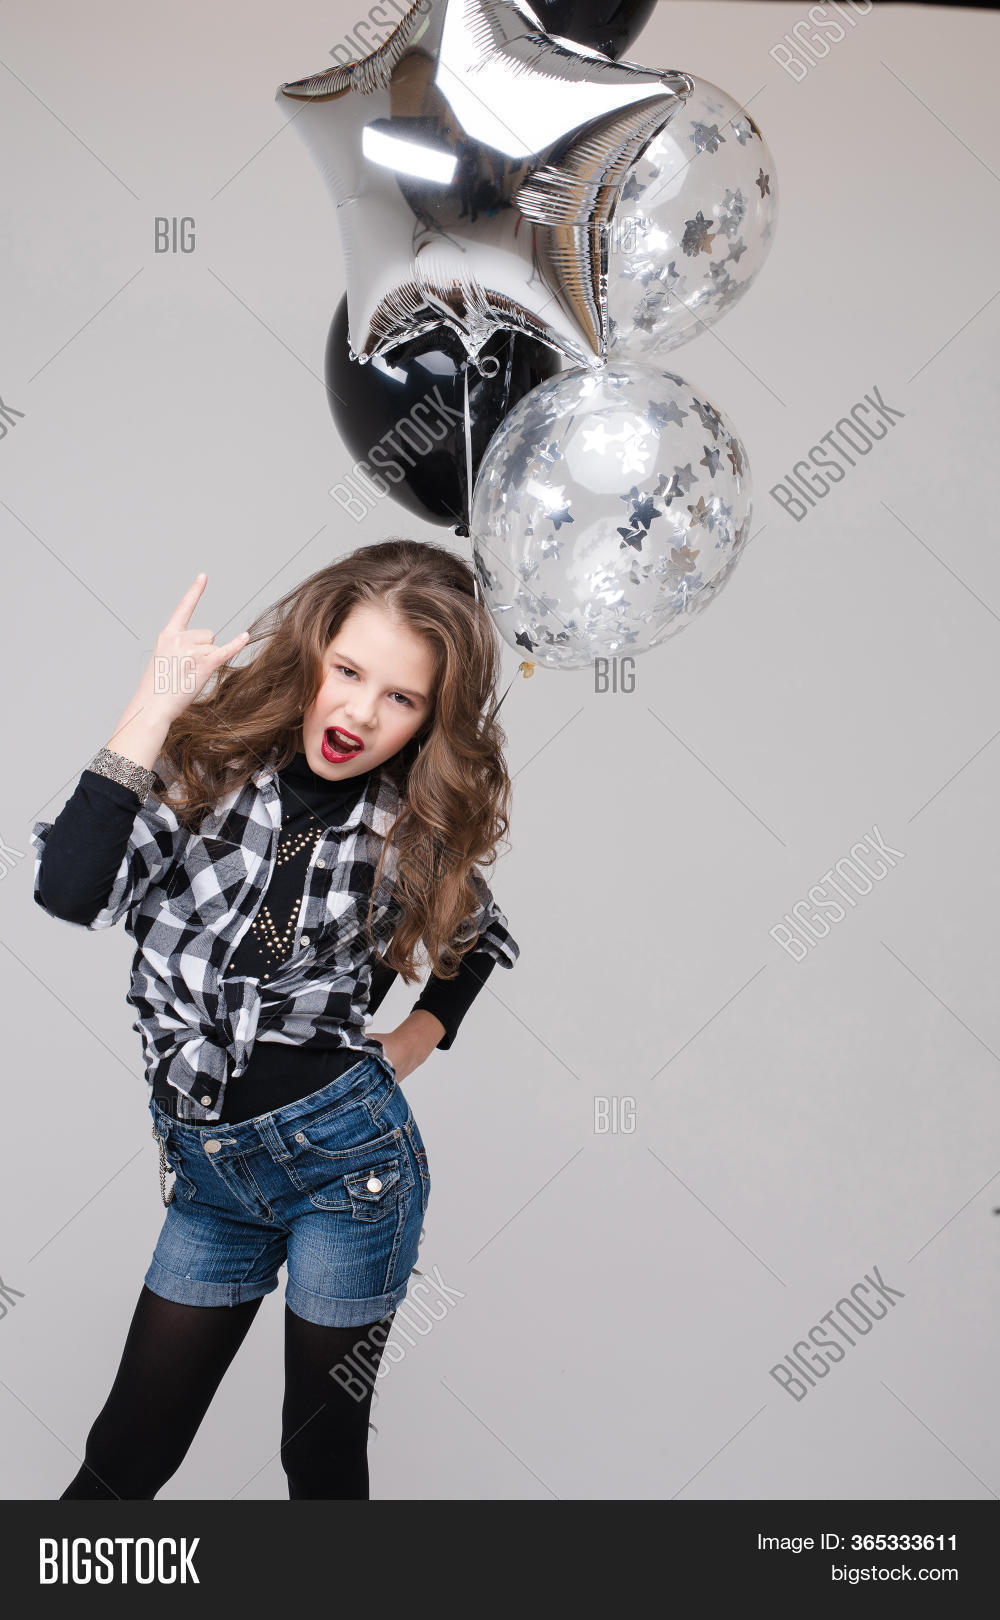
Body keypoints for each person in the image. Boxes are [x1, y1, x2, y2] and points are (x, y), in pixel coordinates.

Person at [30, 537, 520, 1499]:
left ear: (429, 718)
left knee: (320, 1457)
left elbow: (478, 939)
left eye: (401, 698)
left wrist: (412, 1042)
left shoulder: (410, 828)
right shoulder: (203, 770)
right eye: (349, 672)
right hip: (211, 1176)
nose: (360, 713)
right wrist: (154, 705)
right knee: (127, 1455)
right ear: (311, 654)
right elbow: (69, 888)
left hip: (350, 1171)